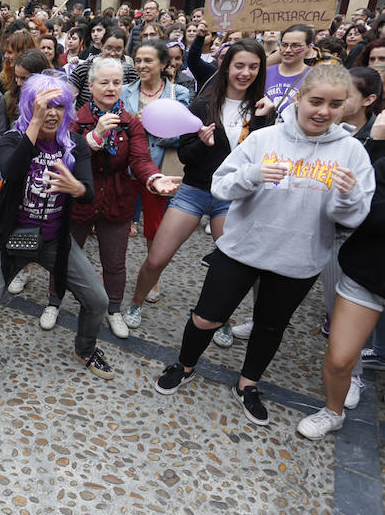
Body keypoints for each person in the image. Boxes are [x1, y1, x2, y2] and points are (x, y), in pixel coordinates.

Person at [153, 65, 375, 426]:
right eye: (316, 101)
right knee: (206, 316)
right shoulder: (265, 139)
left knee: (270, 327)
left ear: (346, 106)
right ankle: (185, 363)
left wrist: (348, 196)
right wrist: (253, 175)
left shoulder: (352, 152)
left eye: (334, 104)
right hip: (241, 248)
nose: (323, 111)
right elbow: (221, 187)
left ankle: (248, 384)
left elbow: (352, 218)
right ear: (299, 98)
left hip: (299, 258)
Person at [0, 72, 115, 391]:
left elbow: (88, 191)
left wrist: (75, 187)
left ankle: (86, 348)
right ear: (28, 106)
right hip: (10, 241)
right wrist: (33, 126)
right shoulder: (12, 139)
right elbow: (10, 170)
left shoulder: (75, 145)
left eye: (59, 106)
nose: (51, 112)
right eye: (43, 105)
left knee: (98, 300)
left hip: (53, 240)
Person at [123, 40, 275, 340]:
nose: (245, 73)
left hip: (232, 197)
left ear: (260, 70)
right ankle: (135, 304)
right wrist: (203, 144)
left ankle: (223, 318)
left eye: (253, 67)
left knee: (231, 266)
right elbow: (185, 155)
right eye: (239, 65)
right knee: (156, 258)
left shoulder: (263, 109)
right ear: (226, 67)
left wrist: (261, 120)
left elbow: (261, 157)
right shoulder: (204, 104)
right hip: (195, 190)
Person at [43, 58, 181, 334]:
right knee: (65, 254)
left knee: (115, 261)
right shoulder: (74, 118)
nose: (110, 88)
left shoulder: (131, 122)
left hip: (117, 200)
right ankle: (53, 302)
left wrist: (154, 178)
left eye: (116, 82)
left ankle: (114, 308)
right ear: (91, 86)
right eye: (104, 82)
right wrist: (95, 136)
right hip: (79, 198)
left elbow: (141, 159)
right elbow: (66, 158)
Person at [297, 113, 384, 438]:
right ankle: (333, 412)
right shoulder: (376, 157)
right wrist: (375, 143)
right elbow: (362, 213)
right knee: (339, 360)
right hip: (370, 271)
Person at [117, 40, 191, 309]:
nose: (141, 65)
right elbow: (117, 128)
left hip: (159, 171)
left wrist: (151, 126)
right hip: (126, 169)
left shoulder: (178, 93)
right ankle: (116, 271)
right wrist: (132, 127)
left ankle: (153, 277)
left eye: (148, 60)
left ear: (163, 63)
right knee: (119, 223)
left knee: (155, 228)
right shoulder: (125, 91)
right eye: (138, 60)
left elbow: (184, 134)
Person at [265, 24, 312, 114]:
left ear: (308, 48)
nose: (288, 50)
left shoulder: (315, 76)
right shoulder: (265, 73)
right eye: (284, 45)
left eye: (296, 46)